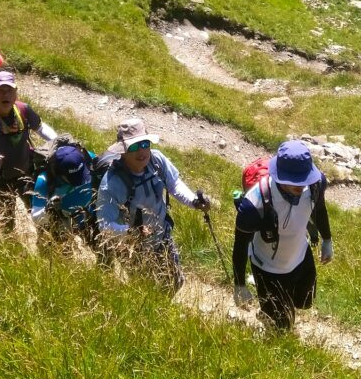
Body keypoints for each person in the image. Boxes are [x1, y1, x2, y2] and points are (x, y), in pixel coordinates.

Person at [95, 117, 209, 291]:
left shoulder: (156, 160)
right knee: (146, 290)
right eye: (134, 146)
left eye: (145, 144)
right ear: (123, 151)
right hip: (133, 247)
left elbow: (175, 184)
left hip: (162, 234)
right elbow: (104, 225)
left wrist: (194, 201)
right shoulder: (111, 183)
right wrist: (131, 232)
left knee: (175, 282)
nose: (142, 151)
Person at [232, 140, 333, 331]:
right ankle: (269, 314)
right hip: (268, 269)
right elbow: (240, 245)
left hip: (301, 258)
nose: (301, 185)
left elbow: (320, 210)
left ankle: (271, 310)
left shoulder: (316, 184)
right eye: (294, 181)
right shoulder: (253, 204)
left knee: (305, 302)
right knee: (282, 328)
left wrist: (327, 239)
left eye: (304, 178)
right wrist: (239, 285)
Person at [0, 70, 56, 229]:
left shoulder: (23, 110)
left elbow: (40, 128)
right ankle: (10, 246)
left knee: (38, 211)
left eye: (9, 90)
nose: (5, 95)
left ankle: (45, 241)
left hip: (25, 173)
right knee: (6, 221)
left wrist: (58, 142)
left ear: (16, 93)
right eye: (0, 90)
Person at [31, 139, 96, 239]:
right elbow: (36, 217)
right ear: (59, 174)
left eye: (81, 174)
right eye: (73, 179)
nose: (79, 181)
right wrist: (49, 209)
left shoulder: (89, 158)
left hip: (89, 214)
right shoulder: (44, 180)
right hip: (62, 221)